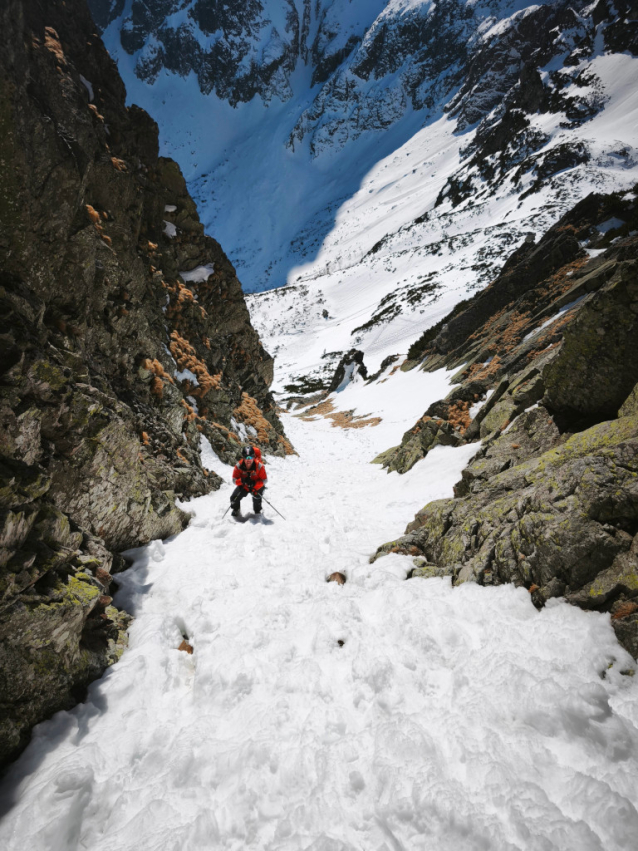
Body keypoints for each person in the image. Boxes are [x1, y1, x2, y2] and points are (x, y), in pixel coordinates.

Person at [230, 446, 267, 516]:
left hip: (256, 487)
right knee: (234, 497)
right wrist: (241, 480)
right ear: (243, 457)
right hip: (244, 486)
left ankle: (257, 511)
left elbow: (264, 480)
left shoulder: (259, 466)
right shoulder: (238, 466)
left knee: (257, 499)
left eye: (251, 457)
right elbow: (234, 480)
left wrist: (255, 484)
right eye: (246, 457)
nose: (248, 459)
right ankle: (236, 509)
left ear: (254, 457)